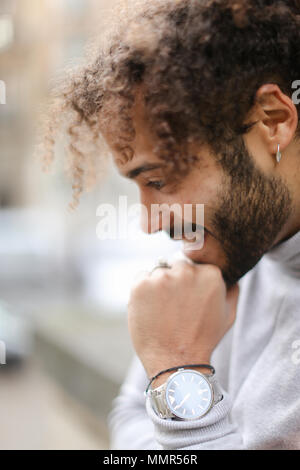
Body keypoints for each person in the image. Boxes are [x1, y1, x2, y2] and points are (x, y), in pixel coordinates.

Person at [42, 0, 300, 449]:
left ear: (273, 122)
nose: (148, 221)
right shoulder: (231, 258)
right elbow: (128, 416)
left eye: (160, 178)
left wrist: (180, 367)